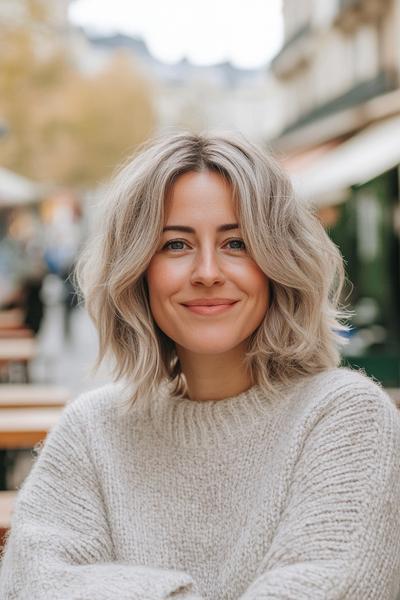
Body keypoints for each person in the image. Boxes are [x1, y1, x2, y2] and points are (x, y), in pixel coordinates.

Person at [1, 132, 400, 599]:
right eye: (175, 245)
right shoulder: (92, 431)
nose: (208, 271)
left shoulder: (346, 419)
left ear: (279, 262)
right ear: (136, 270)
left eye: (236, 243)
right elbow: (30, 582)